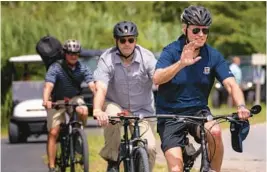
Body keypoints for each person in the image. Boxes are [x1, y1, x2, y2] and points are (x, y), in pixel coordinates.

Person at [153, 5, 250, 172]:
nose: (201, 35)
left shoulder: (213, 55)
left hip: (198, 112)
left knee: (216, 132)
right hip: (170, 114)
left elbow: (231, 84)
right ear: (185, 29)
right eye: (196, 30)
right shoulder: (171, 51)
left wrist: (241, 106)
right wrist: (181, 64)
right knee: (176, 169)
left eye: (205, 31)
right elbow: (157, 78)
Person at [93, 21, 157, 172]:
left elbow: (159, 79)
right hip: (116, 104)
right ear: (116, 41)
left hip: (143, 110)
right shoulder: (106, 58)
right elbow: (101, 88)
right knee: (112, 116)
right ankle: (113, 160)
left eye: (131, 39)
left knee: (151, 147)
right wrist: (97, 110)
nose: (127, 44)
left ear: (136, 40)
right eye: (122, 40)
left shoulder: (147, 57)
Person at [42, 39, 95, 172]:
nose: (73, 56)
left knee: (83, 111)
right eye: (70, 53)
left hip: (75, 98)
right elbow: (48, 85)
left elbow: (92, 83)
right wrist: (46, 100)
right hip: (57, 100)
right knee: (54, 132)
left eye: (76, 54)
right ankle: (52, 166)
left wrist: (98, 96)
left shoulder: (82, 67)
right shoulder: (56, 67)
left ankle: (78, 133)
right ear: (65, 54)